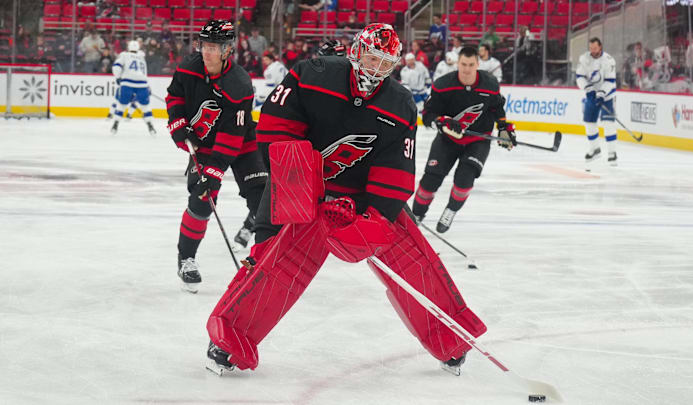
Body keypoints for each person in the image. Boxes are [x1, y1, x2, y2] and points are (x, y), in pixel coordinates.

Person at [204, 23, 487, 377]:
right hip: (301, 187)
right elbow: (275, 128)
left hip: (360, 199)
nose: (375, 69)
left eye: (385, 64)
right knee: (268, 259)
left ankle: (450, 338)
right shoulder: (312, 75)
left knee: (412, 259)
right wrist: (308, 192)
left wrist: (374, 217)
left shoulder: (399, 103)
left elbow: (396, 170)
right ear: (356, 52)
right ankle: (229, 337)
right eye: (371, 58)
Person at [165, 20, 267, 293]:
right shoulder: (188, 67)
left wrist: (215, 172)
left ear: (227, 50)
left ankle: (265, 262)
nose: (206, 52)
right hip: (203, 145)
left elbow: (232, 136)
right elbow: (174, 96)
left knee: (262, 200)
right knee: (201, 201)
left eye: (214, 47)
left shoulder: (240, 84)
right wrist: (177, 125)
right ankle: (186, 258)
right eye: (204, 45)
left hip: (242, 142)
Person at [412, 46, 515, 233]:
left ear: (478, 64)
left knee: (464, 180)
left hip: (477, 141)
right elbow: (427, 114)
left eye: (471, 64)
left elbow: (497, 108)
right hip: (447, 140)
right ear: (457, 63)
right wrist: (440, 121)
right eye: (463, 64)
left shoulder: (490, 84)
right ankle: (416, 215)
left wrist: (503, 128)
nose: (466, 69)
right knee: (430, 180)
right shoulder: (443, 84)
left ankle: (451, 210)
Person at [576, 37, 618, 166]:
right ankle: (595, 149)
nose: (592, 50)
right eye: (591, 48)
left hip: (608, 96)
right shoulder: (584, 59)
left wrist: (601, 94)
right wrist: (588, 89)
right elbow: (580, 77)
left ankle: (612, 153)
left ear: (600, 47)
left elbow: (610, 81)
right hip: (592, 94)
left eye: (595, 48)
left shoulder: (609, 60)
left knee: (608, 123)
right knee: (589, 122)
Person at [110, 40, 156, 135]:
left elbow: (116, 66)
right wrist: (147, 86)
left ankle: (115, 124)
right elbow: (144, 73)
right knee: (145, 106)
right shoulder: (142, 58)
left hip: (127, 83)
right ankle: (150, 126)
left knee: (122, 104)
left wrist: (118, 77)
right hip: (142, 84)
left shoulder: (124, 55)